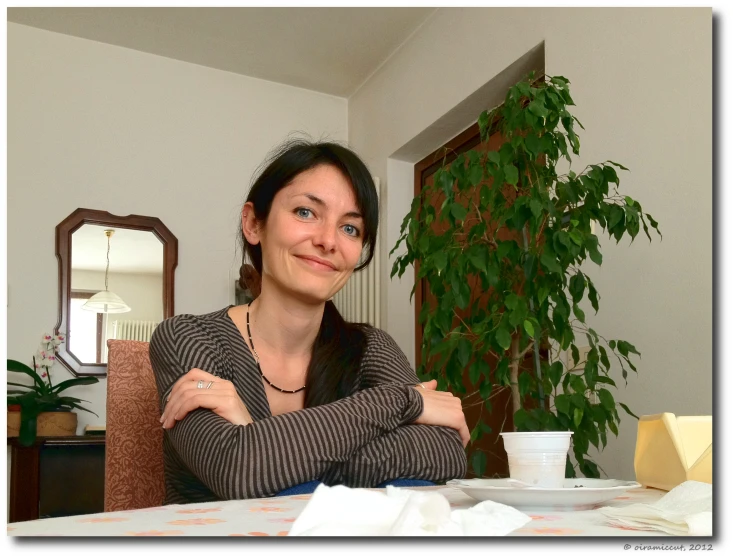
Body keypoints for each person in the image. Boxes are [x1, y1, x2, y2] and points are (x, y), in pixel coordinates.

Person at [149, 139, 468, 504]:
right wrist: (401, 402)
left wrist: (257, 439)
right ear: (254, 223)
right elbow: (238, 470)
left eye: (350, 228)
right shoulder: (187, 337)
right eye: (305, 212)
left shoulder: (370, 347)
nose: (328, 240)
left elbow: (446, 452)